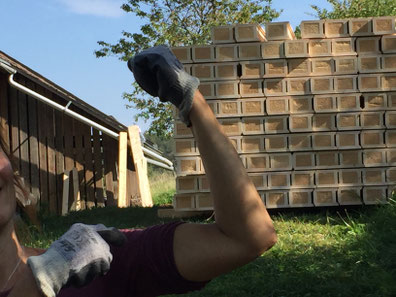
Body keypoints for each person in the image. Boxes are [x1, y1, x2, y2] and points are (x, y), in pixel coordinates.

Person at [0, 45, 277, 297]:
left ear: (12, 171)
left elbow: (246, 238)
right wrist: (42, 280)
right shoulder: (58, 267)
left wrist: (191, 102)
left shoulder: (87, 264)